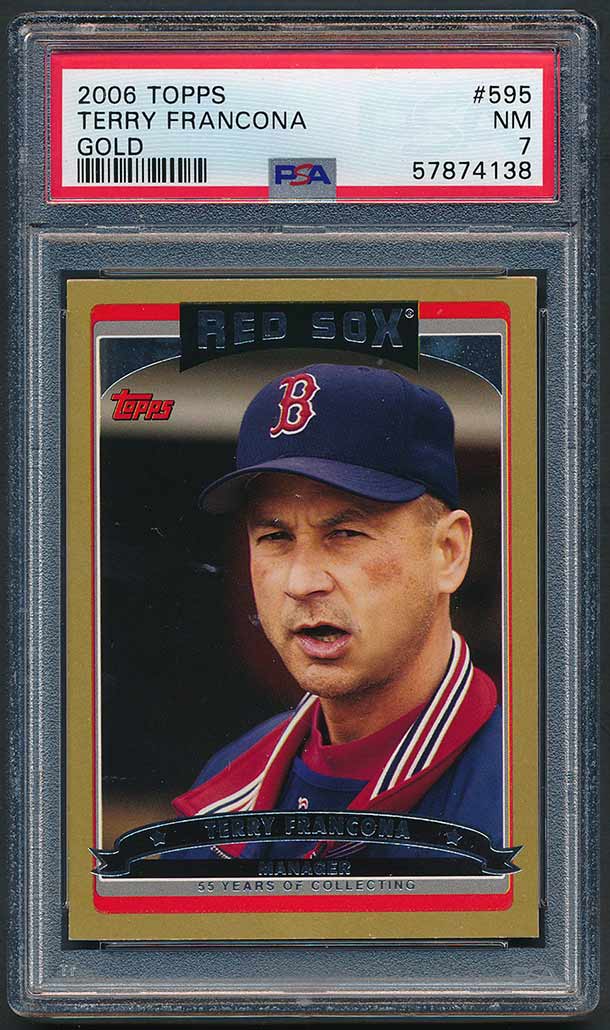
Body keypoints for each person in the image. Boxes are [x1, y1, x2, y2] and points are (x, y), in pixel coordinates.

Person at [172, 363, 503, 861]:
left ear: (448, 552)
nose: (302, 582)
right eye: (275, 536)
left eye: (345, 534)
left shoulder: (543, 796)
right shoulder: (222, 789)